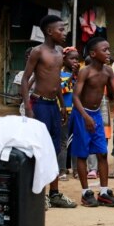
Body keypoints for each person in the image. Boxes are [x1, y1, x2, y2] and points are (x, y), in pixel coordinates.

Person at [21, 15, 76, 209]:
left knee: (55, 149)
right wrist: (28, 108)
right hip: (40, 105)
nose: (64, 33)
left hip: (54, 106)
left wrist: (62, 105)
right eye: (60, 29)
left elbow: (56, 83)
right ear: (49, 32)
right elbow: (25, 80)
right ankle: (40, 194)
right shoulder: (38, 52)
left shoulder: (60, 52)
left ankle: (54, 193)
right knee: (40, 149)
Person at [70, 37, 114, 207]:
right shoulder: (85, 72)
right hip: (83, 114)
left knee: (102, 153)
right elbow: (75, 97)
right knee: (82, 154)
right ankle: (85, 193)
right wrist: (86, 117)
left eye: (108, 49)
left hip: (96, 114)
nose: (108, 52)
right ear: (93, 53)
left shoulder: (108, 71)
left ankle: (104, 192)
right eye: (104, 50)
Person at [58, 46, 80, 181]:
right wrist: (73, 76)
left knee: (76, 140)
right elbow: (62, 90)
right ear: (64, 59)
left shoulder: (80, 75)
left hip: (76, 111)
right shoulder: (58, 74)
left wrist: (76, 76)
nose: (75, 61)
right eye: (72, 58)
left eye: (77, 59)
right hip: (64, 112)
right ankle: (62, 170)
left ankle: (77, 169)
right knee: (63, 141)